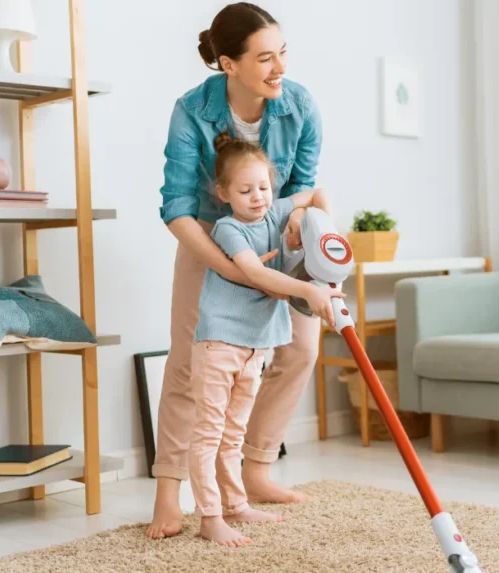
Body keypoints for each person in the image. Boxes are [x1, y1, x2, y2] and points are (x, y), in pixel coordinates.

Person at [149, 2, 325, 540]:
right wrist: (233, 267)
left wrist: (293, 218)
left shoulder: (298, 104)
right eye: (265, 58)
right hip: (208, 239)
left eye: (283, 54)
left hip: (276, 236)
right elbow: (176, 205)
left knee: (301, 348)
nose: (280, 68)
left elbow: (305, 181)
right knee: (189, 364)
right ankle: (167, 494)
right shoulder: (192, 111)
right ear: (229, 64)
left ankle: (254, 471)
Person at [188, 135, 340, 546]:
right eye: (245, 190)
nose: (257, 198)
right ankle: (209, 516)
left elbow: (321, 193)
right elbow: (254, 273)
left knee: (234, 434)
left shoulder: (274, 215)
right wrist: (306, 290)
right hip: (220, 344)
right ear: (223, 193)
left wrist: (300, 213)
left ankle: (235, 506)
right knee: (208, 435)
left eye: (264, 188)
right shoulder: (228, 229)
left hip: (256, 346)